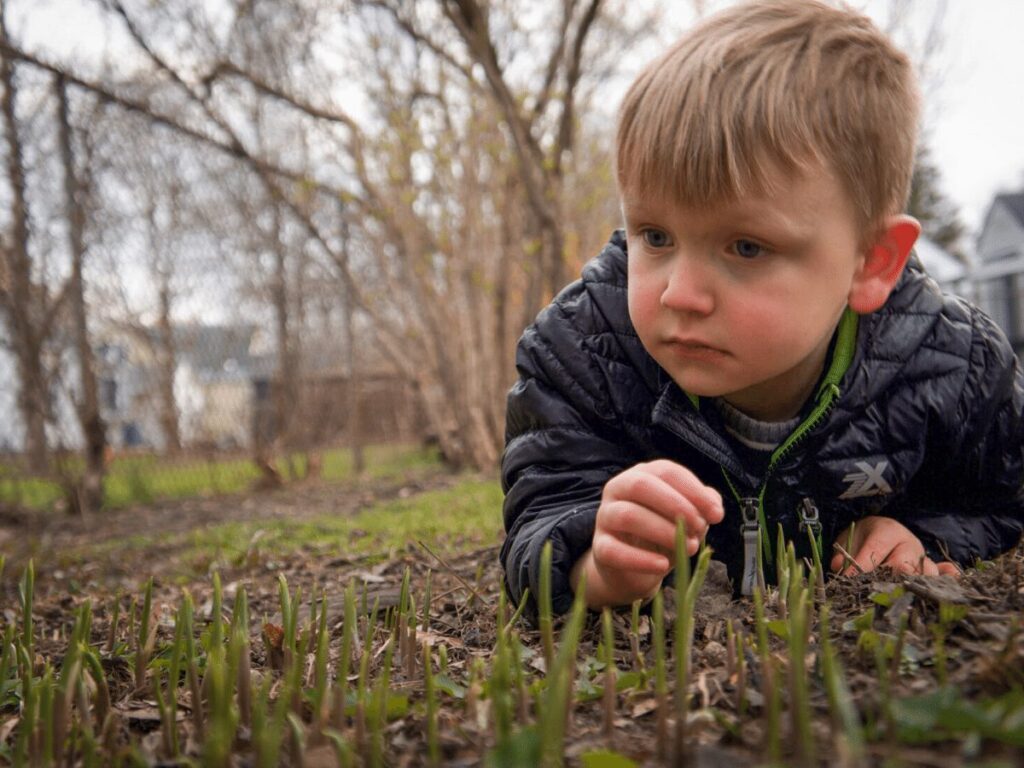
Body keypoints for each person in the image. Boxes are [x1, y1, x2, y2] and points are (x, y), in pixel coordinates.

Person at [500, 0, 1024, 613]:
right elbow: (539, 517)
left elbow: (1004, 501)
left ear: (871, 261)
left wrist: (925, 533)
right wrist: (596, 558)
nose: (680, 294)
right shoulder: (580, 354)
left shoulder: (955, 369)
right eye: (655, 236)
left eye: (747, 246)